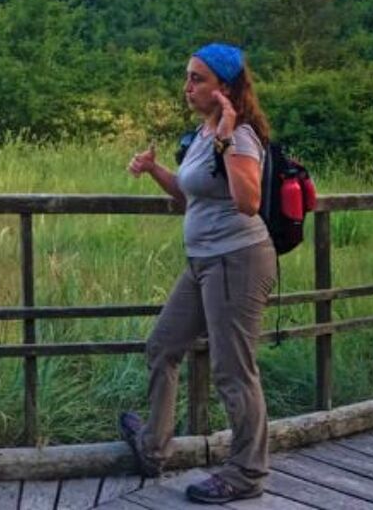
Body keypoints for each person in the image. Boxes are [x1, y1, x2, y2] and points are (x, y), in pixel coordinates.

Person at [116, 42, 276, 504]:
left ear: (224, 87)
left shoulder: (237, 135)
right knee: (163, 345)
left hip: (237, 260)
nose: (187, 86)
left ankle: (247, 472)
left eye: (197, 79)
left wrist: (226, 134)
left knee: (233, 371)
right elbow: (192, 198)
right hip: (205, 261)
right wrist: (155, 171)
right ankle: (153, 445)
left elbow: (248, 203)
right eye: (187, 77)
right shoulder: (205, 133)